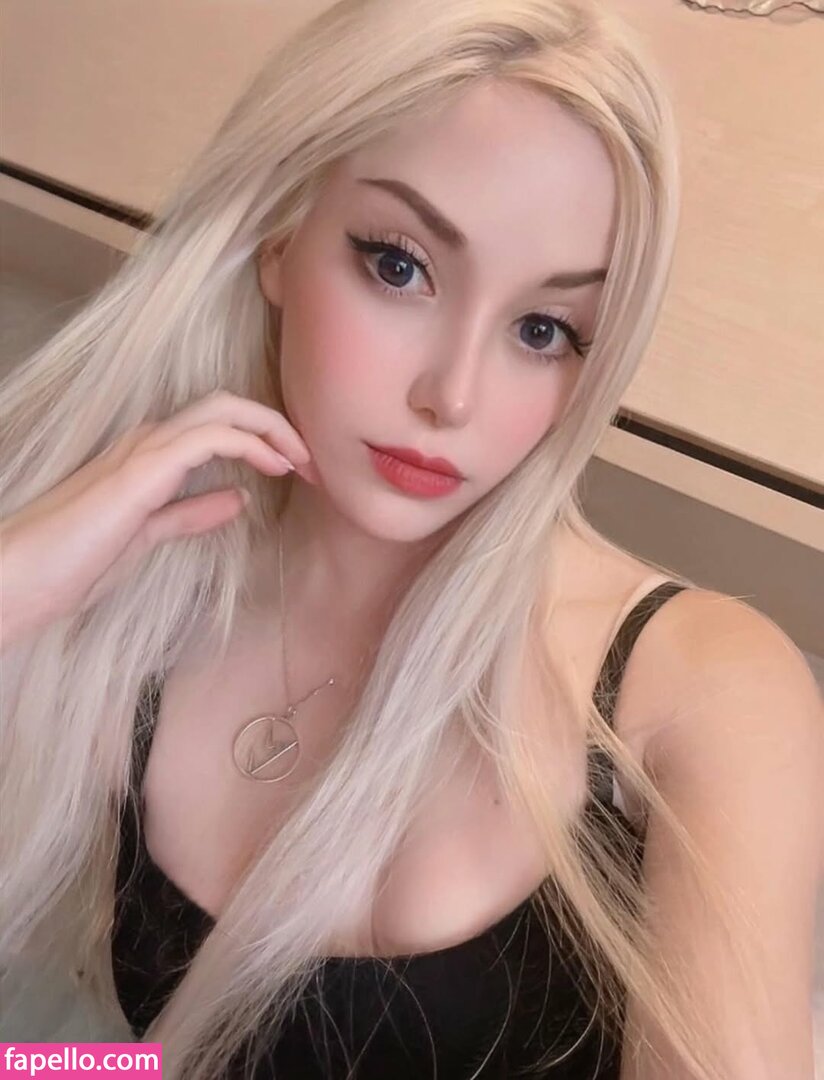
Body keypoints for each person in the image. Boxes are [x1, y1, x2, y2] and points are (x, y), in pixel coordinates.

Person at [0, 0, 821, 1077]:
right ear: (279, 237)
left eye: (543, 330)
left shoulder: (697, 691)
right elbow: (143, 1063)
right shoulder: (146, 613)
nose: (452, 393)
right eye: (399, 266)